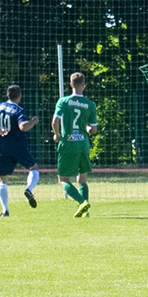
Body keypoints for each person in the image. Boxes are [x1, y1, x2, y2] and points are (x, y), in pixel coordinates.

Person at [0, 84, 41, 216]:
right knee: (33, 168)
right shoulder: (18, 109)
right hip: (19, 146)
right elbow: (23, 127)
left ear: (7, 95)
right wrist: (33, 121)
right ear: (19, 96)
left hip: (3, 147)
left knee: (3, 179)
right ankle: (29, 189)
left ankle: (5, 210)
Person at [52, 72, 98, 218]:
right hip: (83, 144)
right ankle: (85, 211)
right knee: (82, 179)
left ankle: (82, 202)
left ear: (70, 84)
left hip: (68, 144)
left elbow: (55, 122)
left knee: (63, 179)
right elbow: (93, 129)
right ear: (84, 85)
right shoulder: (90, 105)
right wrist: (87, 129)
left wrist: (57, 135)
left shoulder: (63, 101)